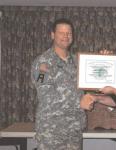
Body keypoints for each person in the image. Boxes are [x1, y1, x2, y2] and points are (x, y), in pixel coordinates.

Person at [31, 18, 93, 150]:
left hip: (74, 131)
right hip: (52, 132)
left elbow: (94, 83)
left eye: (69, 33)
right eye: (61, 32)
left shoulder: (78, 62)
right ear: (52, 35)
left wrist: (106, 59)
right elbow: (45, 96)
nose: (66, 36)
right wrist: (79, 102)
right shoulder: (43, 63)